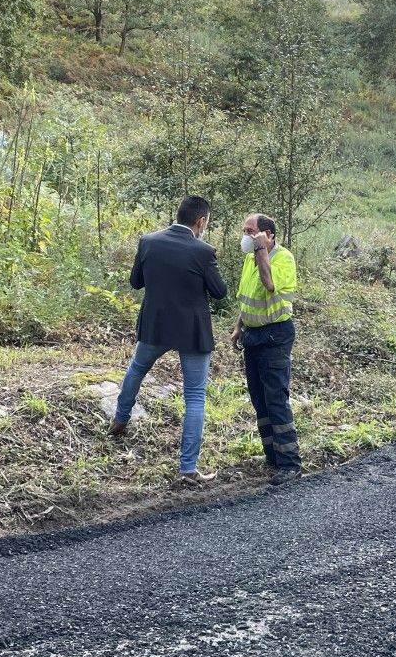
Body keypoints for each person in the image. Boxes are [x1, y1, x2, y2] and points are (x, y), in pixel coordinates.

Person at [109, 195, 228, 488]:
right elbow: (220, 291)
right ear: (201, 221)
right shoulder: (203, 251)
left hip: (156, 325)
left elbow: (136, 282)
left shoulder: (148, 241)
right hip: (192, 331)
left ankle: (119, 423)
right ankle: (188, 469)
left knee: (136, 369)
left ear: (178, 214)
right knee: (195, 396)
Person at [230, 213, 301, 487]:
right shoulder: (251, 257)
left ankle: (290, 463)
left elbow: (269, 284)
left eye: (251, 231)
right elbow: (248, 297)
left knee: (275, 399)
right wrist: (239, 325)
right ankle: (273, 456)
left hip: (275, 336)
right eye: (245, 231)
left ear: (268, 235)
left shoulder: (283, 258)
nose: (246, 236)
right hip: (253, 334)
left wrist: (261, 251)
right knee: (259, 399)